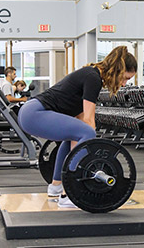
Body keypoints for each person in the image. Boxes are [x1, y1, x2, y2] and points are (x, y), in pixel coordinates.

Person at [18, 46, 137, 208]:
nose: (123, 83)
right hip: (34, 112)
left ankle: (56, 186)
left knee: (74, 135)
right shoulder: (93, 78)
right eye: (125, 78)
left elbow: (80, 118)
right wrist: (94, 153)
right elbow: (88, 121)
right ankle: (70, 193)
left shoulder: (91, 75)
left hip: (30, 112)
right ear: (117, 70)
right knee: (86, 131)